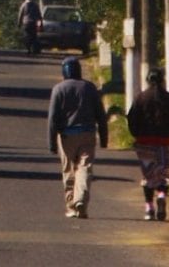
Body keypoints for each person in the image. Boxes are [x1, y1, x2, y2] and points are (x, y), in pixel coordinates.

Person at [46, 56, 108, 219]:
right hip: (87, 134)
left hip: (66, 136)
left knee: (68, 171)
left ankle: (71, 206)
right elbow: (100, 115)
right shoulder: (89, 88)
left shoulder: (59, 89)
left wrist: (52, 142)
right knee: (84, 168)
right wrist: (104, 137)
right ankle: (81, 200)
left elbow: (53, 118)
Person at [127, 68, 169, 221]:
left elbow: (132, 119)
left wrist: (137, 134)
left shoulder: (140, 98)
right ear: (162, 80)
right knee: (163, 174)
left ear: (148, 80)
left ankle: (149, 208)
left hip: (145, 143)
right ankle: (161, 194)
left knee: (148, 175)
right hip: (164, 142)